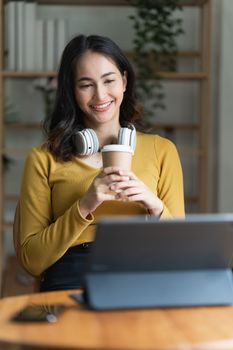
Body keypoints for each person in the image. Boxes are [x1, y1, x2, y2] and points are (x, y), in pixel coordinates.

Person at [13, 34, 185, 292]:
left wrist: (155, 207)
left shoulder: (162, 150)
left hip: (145, 274)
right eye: (86, 85)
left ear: (124, 81)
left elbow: (182, 252)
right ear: (71, 90)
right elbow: (31, 260)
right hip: (73, 277)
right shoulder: (43, 158)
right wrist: (84, 205)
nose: (100, 95)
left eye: (109, 80)